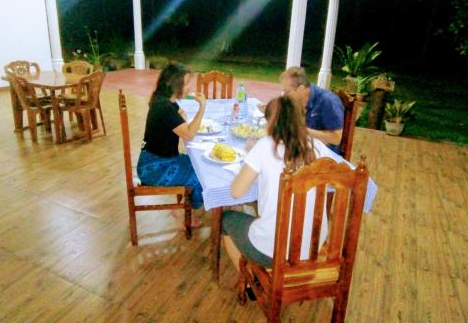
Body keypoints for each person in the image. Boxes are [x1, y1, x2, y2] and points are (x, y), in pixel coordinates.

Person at [221, 95, 332, 271]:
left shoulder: (265, 146)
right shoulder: (317, 146)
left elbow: (236, 192)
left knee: (226, 220)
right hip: (313, 247)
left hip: (274, 251)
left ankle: (251, 280)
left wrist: (252, 155)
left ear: (271, 122)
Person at [137, 63, 205, 227]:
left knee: (201, 165)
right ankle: (183, 211)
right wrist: (202, 107)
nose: (190, 88)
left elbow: (180, 124)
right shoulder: (165, 107)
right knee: (202, 176)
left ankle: (182, 207)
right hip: (154, 167)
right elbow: (189, 135)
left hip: (160, 159)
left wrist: (181, 114)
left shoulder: (165, 101)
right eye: (186, 83)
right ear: (173, 84)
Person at [280, 66, 344, 153]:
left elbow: (336, 138)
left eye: (287, 92)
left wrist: (303, 131)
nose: (284, 96)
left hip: (323, 158)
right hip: (302, 150)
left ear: (300, 89)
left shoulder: (328, 101)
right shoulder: (299, 100)